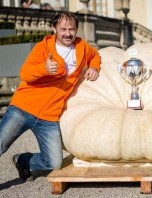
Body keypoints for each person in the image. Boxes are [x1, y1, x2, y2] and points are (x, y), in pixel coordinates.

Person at [0, 12, 101, 181]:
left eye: (71, 29)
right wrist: (44, 68)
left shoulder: (82, 47)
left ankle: (23, 160)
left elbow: (95, 55)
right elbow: (25, 73)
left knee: (54, 163)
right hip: (23, 108)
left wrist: (94, 67)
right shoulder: (43, 48)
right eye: (63, 29)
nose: (67, 33)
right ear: (54, 28)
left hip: (49, 117)